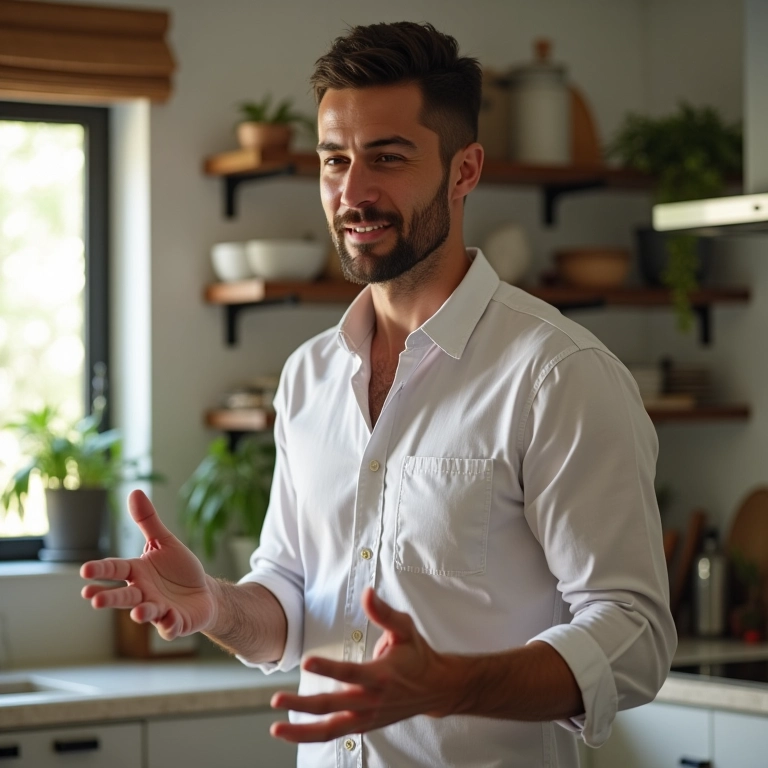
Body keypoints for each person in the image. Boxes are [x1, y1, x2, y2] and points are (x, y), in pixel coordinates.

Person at [81, 21, 677, 768]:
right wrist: (217, 607)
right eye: (335, 160)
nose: (352, 192)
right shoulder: (309, 377)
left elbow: (636, 636)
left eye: (387, 159)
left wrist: (448, 685)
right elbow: (294, 602)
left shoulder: (557, 374)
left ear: (465, 171)